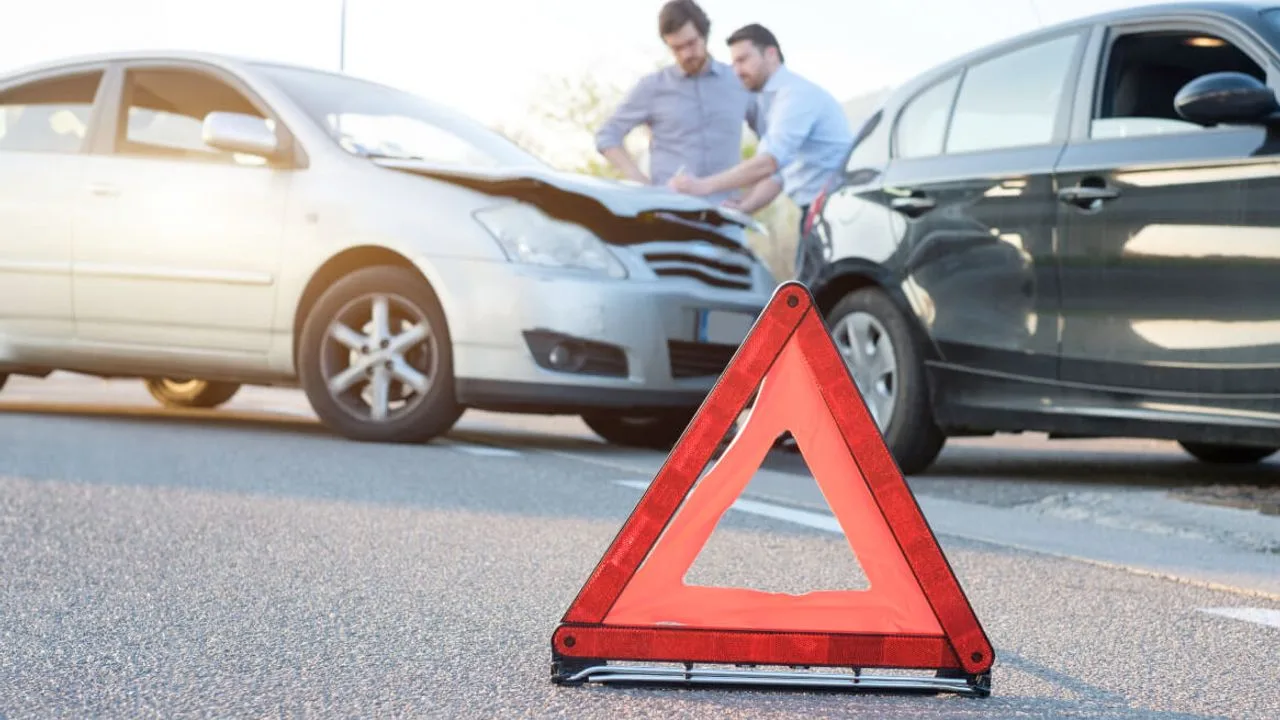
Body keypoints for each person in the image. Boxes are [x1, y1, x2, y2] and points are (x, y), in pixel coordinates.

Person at [668, 23, 853, 235]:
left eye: (743, 59)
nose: (737, 71)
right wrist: (743, 207)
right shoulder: (774, 102)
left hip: (836, 213)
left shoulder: (795, 96)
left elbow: (767, 163)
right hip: (818, 212)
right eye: (734, 63)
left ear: (771, 54)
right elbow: (780, 175)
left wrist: (702, 186)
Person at [594, 0, 754, 208]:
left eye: (691, 44)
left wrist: (749, 200)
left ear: (704, 35)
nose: (686, 54)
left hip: (726, 217)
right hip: (670, 215)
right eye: (676, 48)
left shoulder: (738, 82)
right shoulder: (652, 87)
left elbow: (774, 146)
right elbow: (607, 135)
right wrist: (642, 186)